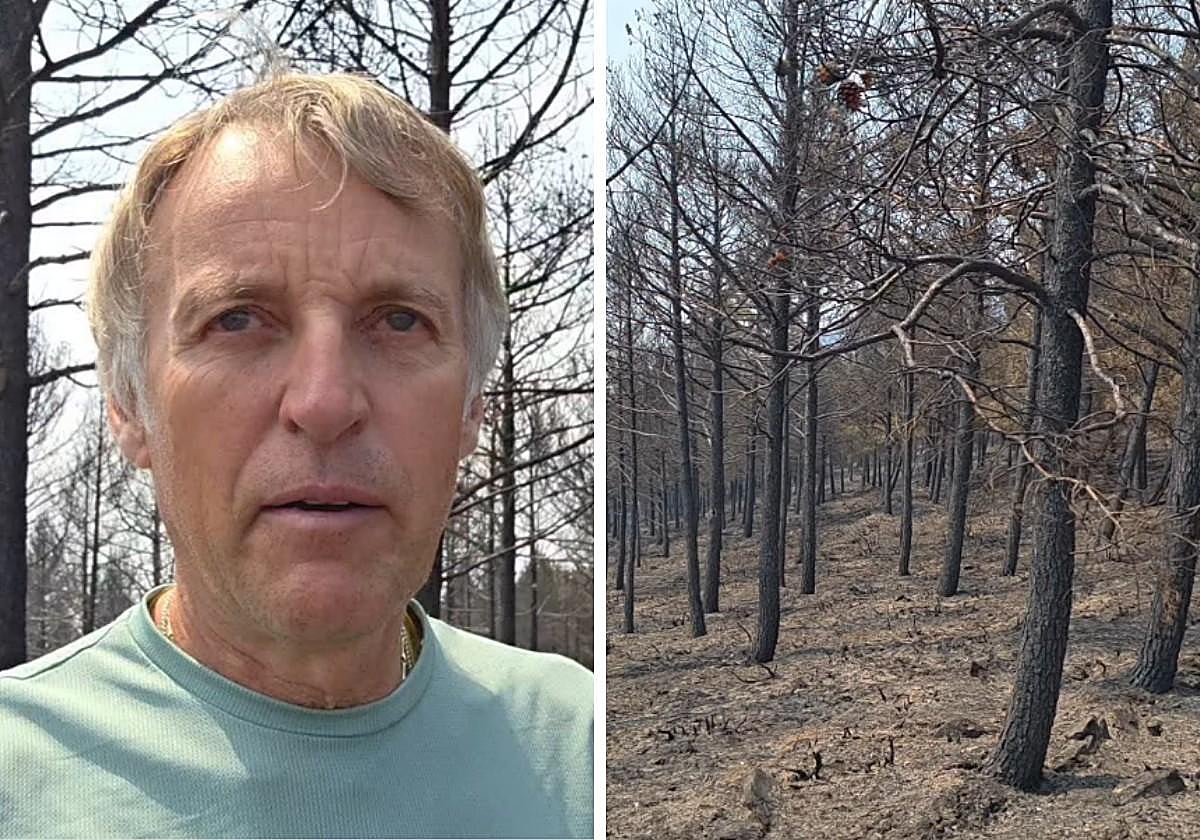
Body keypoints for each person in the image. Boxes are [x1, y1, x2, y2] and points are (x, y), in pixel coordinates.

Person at [0, 72, 593, 839]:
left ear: (472, 408)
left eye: (400, 322)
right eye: (237, 319)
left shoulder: (575, 747)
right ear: (128, 405)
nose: (323, 402)